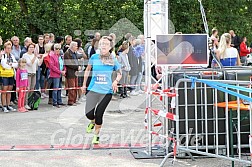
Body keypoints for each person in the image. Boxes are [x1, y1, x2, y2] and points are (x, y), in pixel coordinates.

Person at [81, 36, 122, 144]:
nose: (103, 45)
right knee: (89, 113)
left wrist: (115, 81)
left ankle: (96, 135)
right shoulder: (94, 57)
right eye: (102, 43)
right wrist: (84, 84)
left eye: (106, 44)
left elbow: (119, 73)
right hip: (93, 89)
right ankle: (92, 121)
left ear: (110, 47)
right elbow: (87, 70)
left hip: (106, 91)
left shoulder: (113, 60)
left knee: (99, 113)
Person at [22, 43, 46, 110]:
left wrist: (42, 58)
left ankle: (30, 101)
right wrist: (35, 56)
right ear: (28, 48)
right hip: (27, 73)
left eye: (33, 47)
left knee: (32, 88)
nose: (32, 49)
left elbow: (38, 64)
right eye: (30, 47)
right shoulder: (25, 55)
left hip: (33, 73)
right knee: (27, 88)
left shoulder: (34, 55)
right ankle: (25, 103)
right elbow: (29, 63)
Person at [0, 42, 18, 112]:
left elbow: (16, 64)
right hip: (4, 75)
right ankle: (4, 105)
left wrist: (10, 64)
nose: (9, 49)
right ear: (5, 49)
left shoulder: (12, 56)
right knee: (4, 90)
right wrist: (11, 65)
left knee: (9, 91)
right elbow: (4, 65)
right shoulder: (3, 56)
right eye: (7, 48)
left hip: (11, 74)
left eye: (10, 48)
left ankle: (8, 105)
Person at [64, 41, 79, 106]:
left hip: (75, 73)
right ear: (72, 46)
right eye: (76, 46)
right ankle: (71, 101)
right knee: (71, 87)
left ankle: (74, 100)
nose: (77, 47)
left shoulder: (74, 53)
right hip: (70, 73)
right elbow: (68, 63)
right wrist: (77, 67)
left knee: (75, 87)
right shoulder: (67, 53)